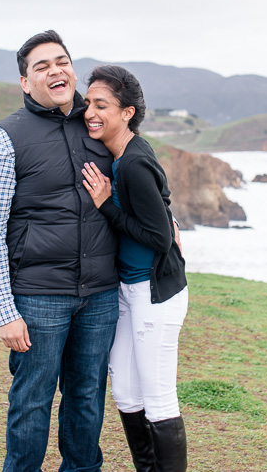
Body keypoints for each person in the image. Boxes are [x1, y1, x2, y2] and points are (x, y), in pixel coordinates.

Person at [0, 30, 120, 472]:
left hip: (100, 294)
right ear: (25, 82)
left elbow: (137, 177)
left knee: (88, 396)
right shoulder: (5, 139)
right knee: (32, 401)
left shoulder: (97, 123)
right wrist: (4, 310)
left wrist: (164, 218)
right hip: (37, 297)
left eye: (62, 61)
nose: (55, 70)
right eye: (42, 66)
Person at [80, 65, 189, 472]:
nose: (90, 111)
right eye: (88, 102)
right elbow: (160, 206)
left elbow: (159, 237)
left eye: (101, 105)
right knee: (126, 391)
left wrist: (107, 205)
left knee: (158, 399)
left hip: (155, 294)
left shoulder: (132, 163)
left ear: (127, 112)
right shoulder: (123, 155)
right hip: (128, 291)